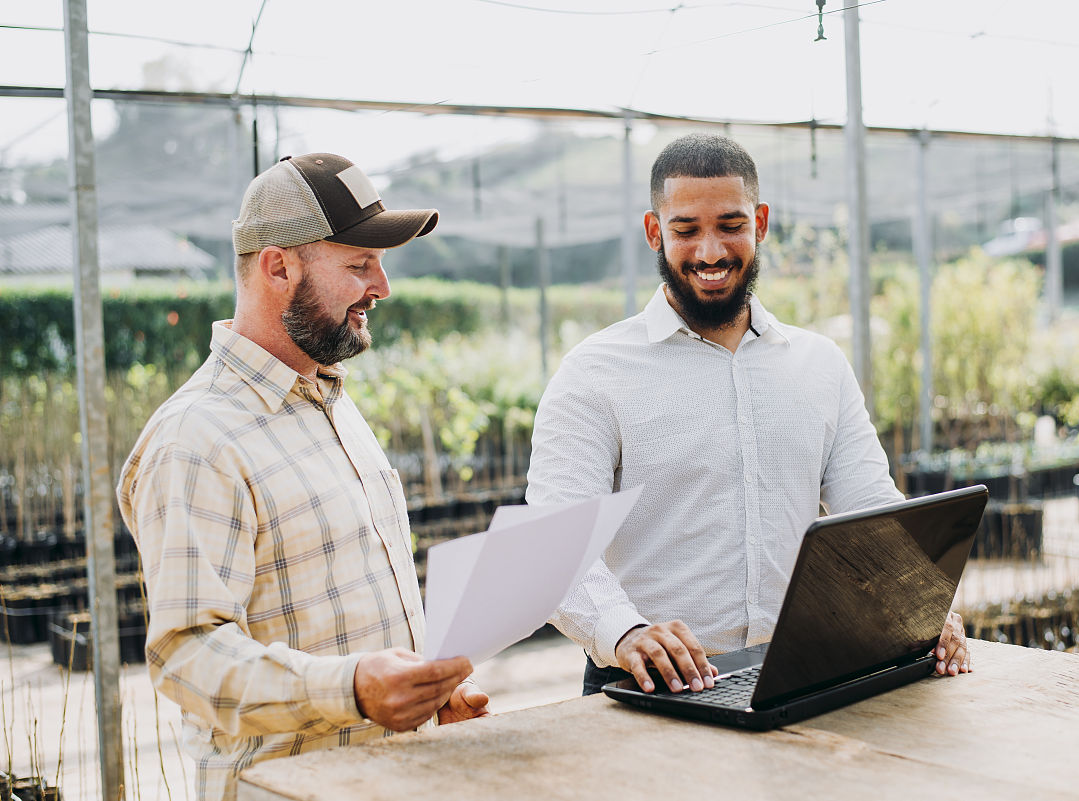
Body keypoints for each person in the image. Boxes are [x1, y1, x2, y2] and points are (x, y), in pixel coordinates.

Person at [527, 133, 971, 696]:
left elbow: (873, 512)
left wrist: (922, 605)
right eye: (685, 230)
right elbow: (551, 545)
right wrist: (626, 632)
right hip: (648, 686)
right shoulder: (595, 373)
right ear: (653, 232)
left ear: (760, 222)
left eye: (730, 225)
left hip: (793, 675)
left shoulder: (818, 365)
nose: (710, 252)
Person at [118, 153, 490, 801]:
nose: (383, 286)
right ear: (278, 266)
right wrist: (352, 690)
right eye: (358, 264)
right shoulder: (198, 437)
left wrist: (420, 699)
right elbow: (188, 657)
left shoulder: (330, 399)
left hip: (384, 779)